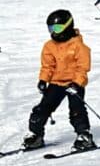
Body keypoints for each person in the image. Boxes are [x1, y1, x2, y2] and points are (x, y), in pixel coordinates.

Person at [24, 10, 95, 152]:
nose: (54, 32)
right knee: (42, 108)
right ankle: (35, 135)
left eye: (57, 28)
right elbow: (47, 66)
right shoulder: (49, 46)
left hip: (74, 83)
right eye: (51, 29)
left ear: (68, 26)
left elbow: (83, 68)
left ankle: (84, 135)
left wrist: (76, 83)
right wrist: (43, 80)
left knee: (76, 110)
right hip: (56, 83)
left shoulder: (79, 46)